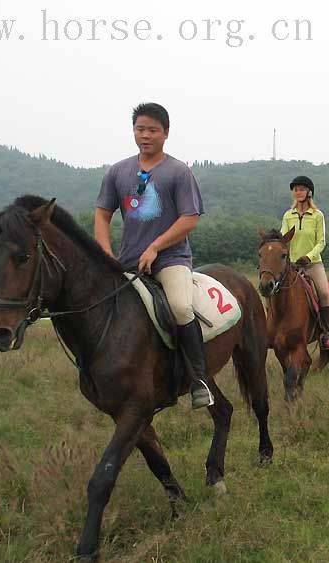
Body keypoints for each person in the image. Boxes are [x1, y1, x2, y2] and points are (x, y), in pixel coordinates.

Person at [94, 102, 213, 410]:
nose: (145, 135)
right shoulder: (117, 172)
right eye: (140, 129)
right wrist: (105, 253)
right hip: (128, 261)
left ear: (166, 133)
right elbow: (102, 214)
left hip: (170, 259)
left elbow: (190, 218)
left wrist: (156, 246)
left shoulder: (178, 171)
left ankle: (199, 379)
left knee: (179, 306)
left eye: (152, 130)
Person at [280, 175, 329, 349]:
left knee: (324, 293)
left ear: (309, 192)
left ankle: (325, 332)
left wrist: (309, 257)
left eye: (301, 189)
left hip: (312, 264)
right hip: (292, 264)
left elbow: (322, 242)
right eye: (295, 189)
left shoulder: (317, 215)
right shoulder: (288, 215)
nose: (298, 192)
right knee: (272, 289)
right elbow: (284, 238)